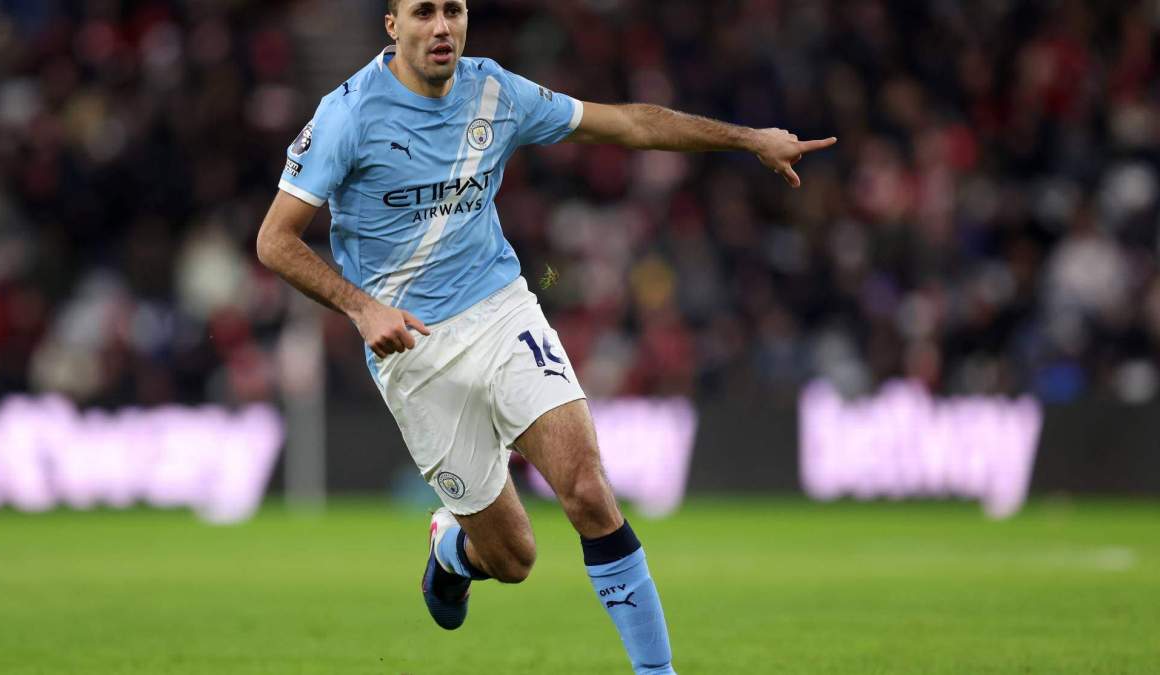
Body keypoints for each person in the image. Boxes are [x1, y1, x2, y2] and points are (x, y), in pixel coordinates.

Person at [255, 1, 835, 672]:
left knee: (588, 490)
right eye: (423, 13)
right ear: (393, 25)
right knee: (515, 558)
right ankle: (451, 551)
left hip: (503, 313)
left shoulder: (496, 91)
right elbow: (275, 240)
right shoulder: (347, 114)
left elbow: (630, 124)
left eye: (454, 10)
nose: (441, 27)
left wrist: (749, 139)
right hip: (412, 349)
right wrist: (361, 309)